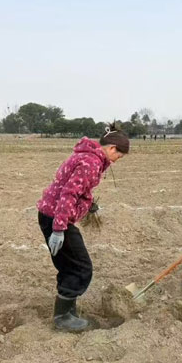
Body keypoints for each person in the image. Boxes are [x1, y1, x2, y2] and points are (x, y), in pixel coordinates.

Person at [37, 127, 129, 332]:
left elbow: (75, 189)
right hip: (56, 218)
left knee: (69, 265)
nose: (116, 160)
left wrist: (87, 204)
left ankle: (67, 312)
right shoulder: (91, 162)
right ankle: (63, 317)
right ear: (112, 148)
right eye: (118, 155)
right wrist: (59, 229)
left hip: (53, 215)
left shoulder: (88, 156)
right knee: (81, 267)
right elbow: (68, 194)